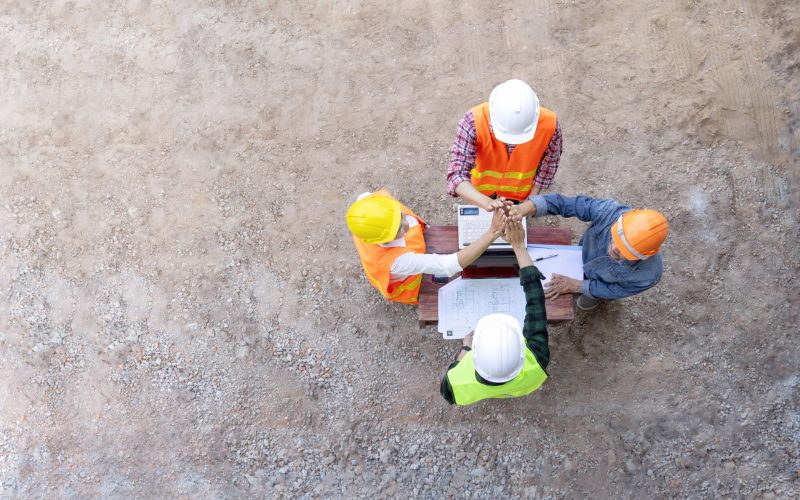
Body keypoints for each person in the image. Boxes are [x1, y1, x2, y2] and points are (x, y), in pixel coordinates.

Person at [440, 219, 550, 406]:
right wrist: (519, 246)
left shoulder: (453, 385)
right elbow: (536, 302)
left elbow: (449, 387)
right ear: (521, 352)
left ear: (475, 352)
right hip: (520, 387)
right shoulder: (538, 360)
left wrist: (464, 349)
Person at [346, 190, 508, 305]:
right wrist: (492, 233)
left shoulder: (368, 205)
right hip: (407, 279)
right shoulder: (399, 262)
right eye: (398, 230)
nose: (406, 224)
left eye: (400, 216)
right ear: (381, 239)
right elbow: (448, 265)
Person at [516, 193, 669, 310]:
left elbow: (616, 290)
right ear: (619, 226)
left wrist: (577, 286)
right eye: (616, 240)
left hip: (602, 283)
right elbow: (567, 204)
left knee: (597, 294)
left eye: (625, 252)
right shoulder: (609, 213)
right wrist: (522, 209)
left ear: (644, 256)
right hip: (581, 256)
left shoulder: (649, 275)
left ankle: (593, 296)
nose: (615, 249)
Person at [446, 79, 562, 214]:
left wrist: (530, 202)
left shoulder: (550, 126)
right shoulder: (472, 122)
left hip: (519, 192)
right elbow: (456, 175)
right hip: (483, 192)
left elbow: (548, 167)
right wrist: (486, 202)